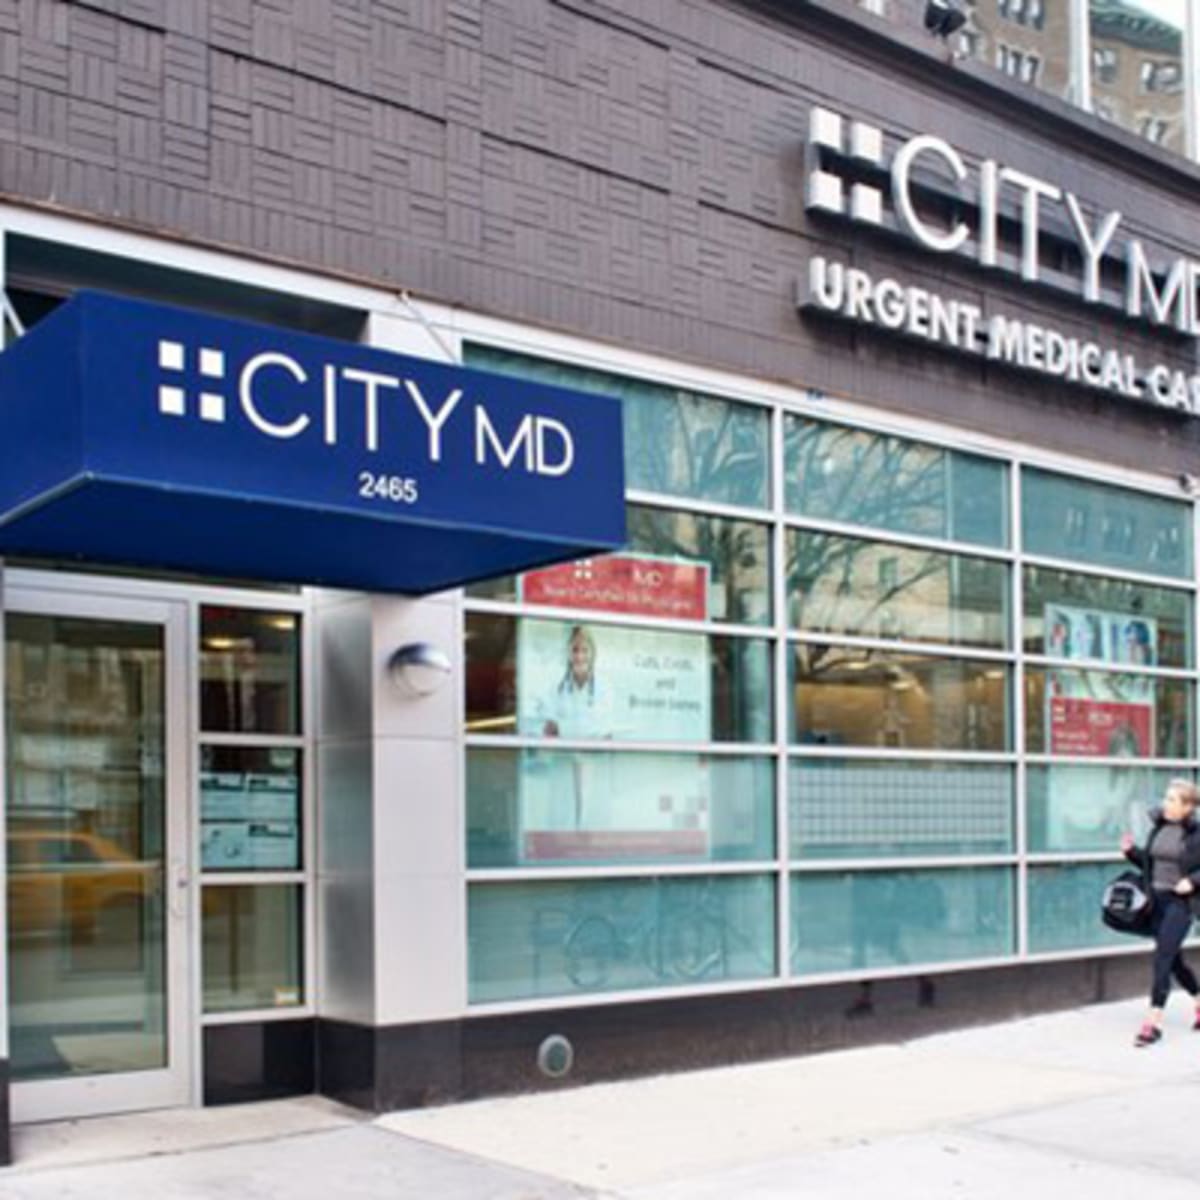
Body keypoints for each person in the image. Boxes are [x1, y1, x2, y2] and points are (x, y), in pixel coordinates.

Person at [1120, 778, 1200, 1046]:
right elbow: (1151, 864)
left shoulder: (1196, 834)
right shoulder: (1160, 827)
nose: (1165, 803)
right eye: (1166, 798)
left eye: (1172, 799)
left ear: (1187, 806)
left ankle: (1153, 1024)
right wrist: (1131, 852)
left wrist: (1193, 882)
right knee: (1174, 962)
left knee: (1162, 958)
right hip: (1156, 902)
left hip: (1181, 904)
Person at [538, 625, 613, 739]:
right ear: (568, 654)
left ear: (593, 653)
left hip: (594, 750)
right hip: (564, 750)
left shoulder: (604, 687)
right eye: (575, 650)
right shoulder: (556, 687)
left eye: (585, 650)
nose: (579, 657)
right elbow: (550, 731)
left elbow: (607, 735)